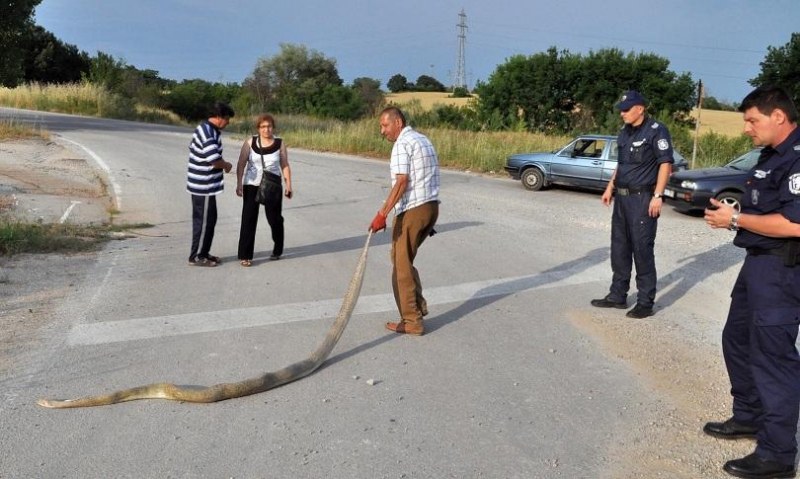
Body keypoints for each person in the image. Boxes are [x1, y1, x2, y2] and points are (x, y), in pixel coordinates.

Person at [702, 85, 800, 479]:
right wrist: (734, 211)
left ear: (778, 116)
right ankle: (749, 416)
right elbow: (766, 206)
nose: (746, 128)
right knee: (736, 338)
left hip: (782, 270)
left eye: (752, 120)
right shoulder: (769, 155)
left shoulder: (796, 159)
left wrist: (735, 220)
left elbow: (795, 224)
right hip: (757, 263)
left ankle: (777, 454)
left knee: (773, 357)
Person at [590, 90, 675, 318]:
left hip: (642, 199)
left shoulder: (657, 131)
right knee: (619, 248)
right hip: (622, 198)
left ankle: (645, 302)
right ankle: (617, 295)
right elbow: (622, 164)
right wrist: (610, 187)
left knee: (642, 250)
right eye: (621, 110)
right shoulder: (623, 133)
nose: (623, 114)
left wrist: (658, 195)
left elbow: (665, 164)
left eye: (626, 110)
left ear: (640, 108)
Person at [369, 106, 440, 336]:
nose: (382, 131)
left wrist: (382, 213)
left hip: (413, 210)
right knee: (401, 259)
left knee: (401, 265)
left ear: (397, 122)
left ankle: (411, 320)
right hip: (430, 207)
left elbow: (401, 182)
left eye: (384, 125)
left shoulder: (402, 143)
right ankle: (417, 306)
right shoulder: (422, 139)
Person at [235, 113, 292, 266]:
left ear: (273, 127)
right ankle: (245, 255)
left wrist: (289, 185)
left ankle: (278, 248)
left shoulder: (279, 143)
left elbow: (284, 165)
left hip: (272, 186)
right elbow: (241, 164)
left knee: (275, 219)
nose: (266, 129)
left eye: (269, 126)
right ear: (258, 128)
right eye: (263, 127)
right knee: (248, 219)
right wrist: (239, 183)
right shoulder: (250, 142)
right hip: (251, 184)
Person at [186, 102, 234, 267]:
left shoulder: (211, 130)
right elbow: (214, 160)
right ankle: (197, 256)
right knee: (204, 221)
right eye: (227, 118)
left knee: (210, 219)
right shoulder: (207, 132)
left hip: (206, 185)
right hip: (203, 185)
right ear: (220, 117)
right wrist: (227, 165)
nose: (228, 122)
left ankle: (204, 252)